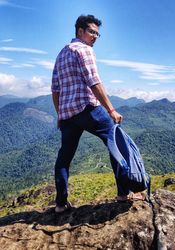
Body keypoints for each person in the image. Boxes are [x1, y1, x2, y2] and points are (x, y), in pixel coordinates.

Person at [51, 14, 143, 213]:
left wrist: (60, 115)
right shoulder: (85, 50)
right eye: (92, 32)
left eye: (97, 34)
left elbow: (55, 89)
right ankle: (123, 193)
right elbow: (94, 82)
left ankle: (60, 204)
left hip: (68, 115)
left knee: (64, 158)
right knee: (116, 143)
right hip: (87, 109)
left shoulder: (61, 54)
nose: (95, 37)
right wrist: (111, 109)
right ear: (80, 31)